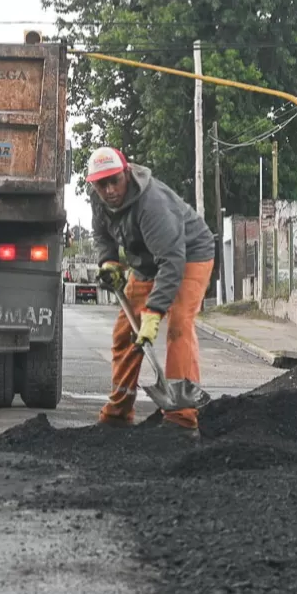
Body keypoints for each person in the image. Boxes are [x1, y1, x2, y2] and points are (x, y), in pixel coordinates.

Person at [87, 146, 218, 431]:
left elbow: (172, 260)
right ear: (93, 185)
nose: (109, 190)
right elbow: (101, 234)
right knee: (125, 333)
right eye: (101, 184)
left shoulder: (152, 204)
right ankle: (118, 413)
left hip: (189, 254)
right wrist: (108, 262)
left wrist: (154, 312)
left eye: (114, 181)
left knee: (179, 325)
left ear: (126, 173)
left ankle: (181, 416)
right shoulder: (99, 201)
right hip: (147, 265)